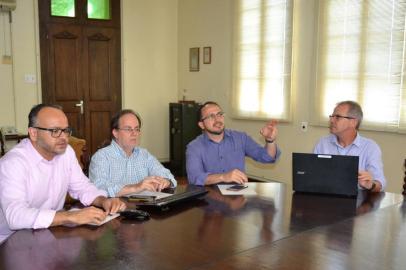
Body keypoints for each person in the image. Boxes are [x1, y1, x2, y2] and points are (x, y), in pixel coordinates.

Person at [0, 104, 126, 242]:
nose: (64, 137)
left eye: (66, 130)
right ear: (34, 133)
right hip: (11, 242)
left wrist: (103, 201)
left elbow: (82, 186)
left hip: (48, 233)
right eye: (55, 131)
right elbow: (16, 216)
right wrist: (69, 216)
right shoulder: (13, 163)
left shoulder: (66, 153)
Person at [186, 101, 281, 186]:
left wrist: (270, 141)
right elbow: (194, 178)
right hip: (208, 199)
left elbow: (267, 157)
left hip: (237, 198)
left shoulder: (240, 138)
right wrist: (223, 177)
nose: (217, 119)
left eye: (219, 114)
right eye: (211, 116)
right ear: (201, 125)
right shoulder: (194, 147)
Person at [89, 109, 177, 197]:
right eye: (128, 129)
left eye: (137, 129)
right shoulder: (101, 157)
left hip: (144, 206)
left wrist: (165, 181)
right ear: (115, 133)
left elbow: (167, 175)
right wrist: (135, 187)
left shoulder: (144, 154)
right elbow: (99, 188)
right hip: (115, 208)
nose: (134, 133)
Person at [313, 100, 386, 192]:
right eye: (332, 116)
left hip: (358, 202)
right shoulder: (322, 143)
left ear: (353, 122)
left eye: (338, 117)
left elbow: (380, 184)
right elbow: (313, 176)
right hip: (326, 198)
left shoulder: (370, 147)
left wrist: (370, 185)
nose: (331, 120)